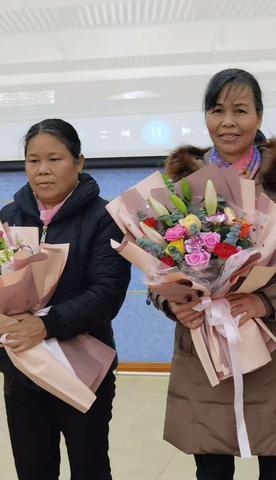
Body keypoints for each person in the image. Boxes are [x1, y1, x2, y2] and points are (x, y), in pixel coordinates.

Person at [159, 68, 276, 480]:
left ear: (259, 115)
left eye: (240, 110)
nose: (228, 122)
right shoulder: (184, 181)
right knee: (212, 469)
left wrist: (262, 300)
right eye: (217, 110)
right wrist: (174, 304)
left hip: (273, 351)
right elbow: (157, 267)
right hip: (206, 350)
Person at [0, 118, 131, 480]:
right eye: (33, 160)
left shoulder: (105, 218)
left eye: (54, 159)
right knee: (33, 470)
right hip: (23, 371)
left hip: (83, 369)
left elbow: (107, 293)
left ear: (79, 162)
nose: (42, 170)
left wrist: (45, 325)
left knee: (89, 468)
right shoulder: (8, 217)